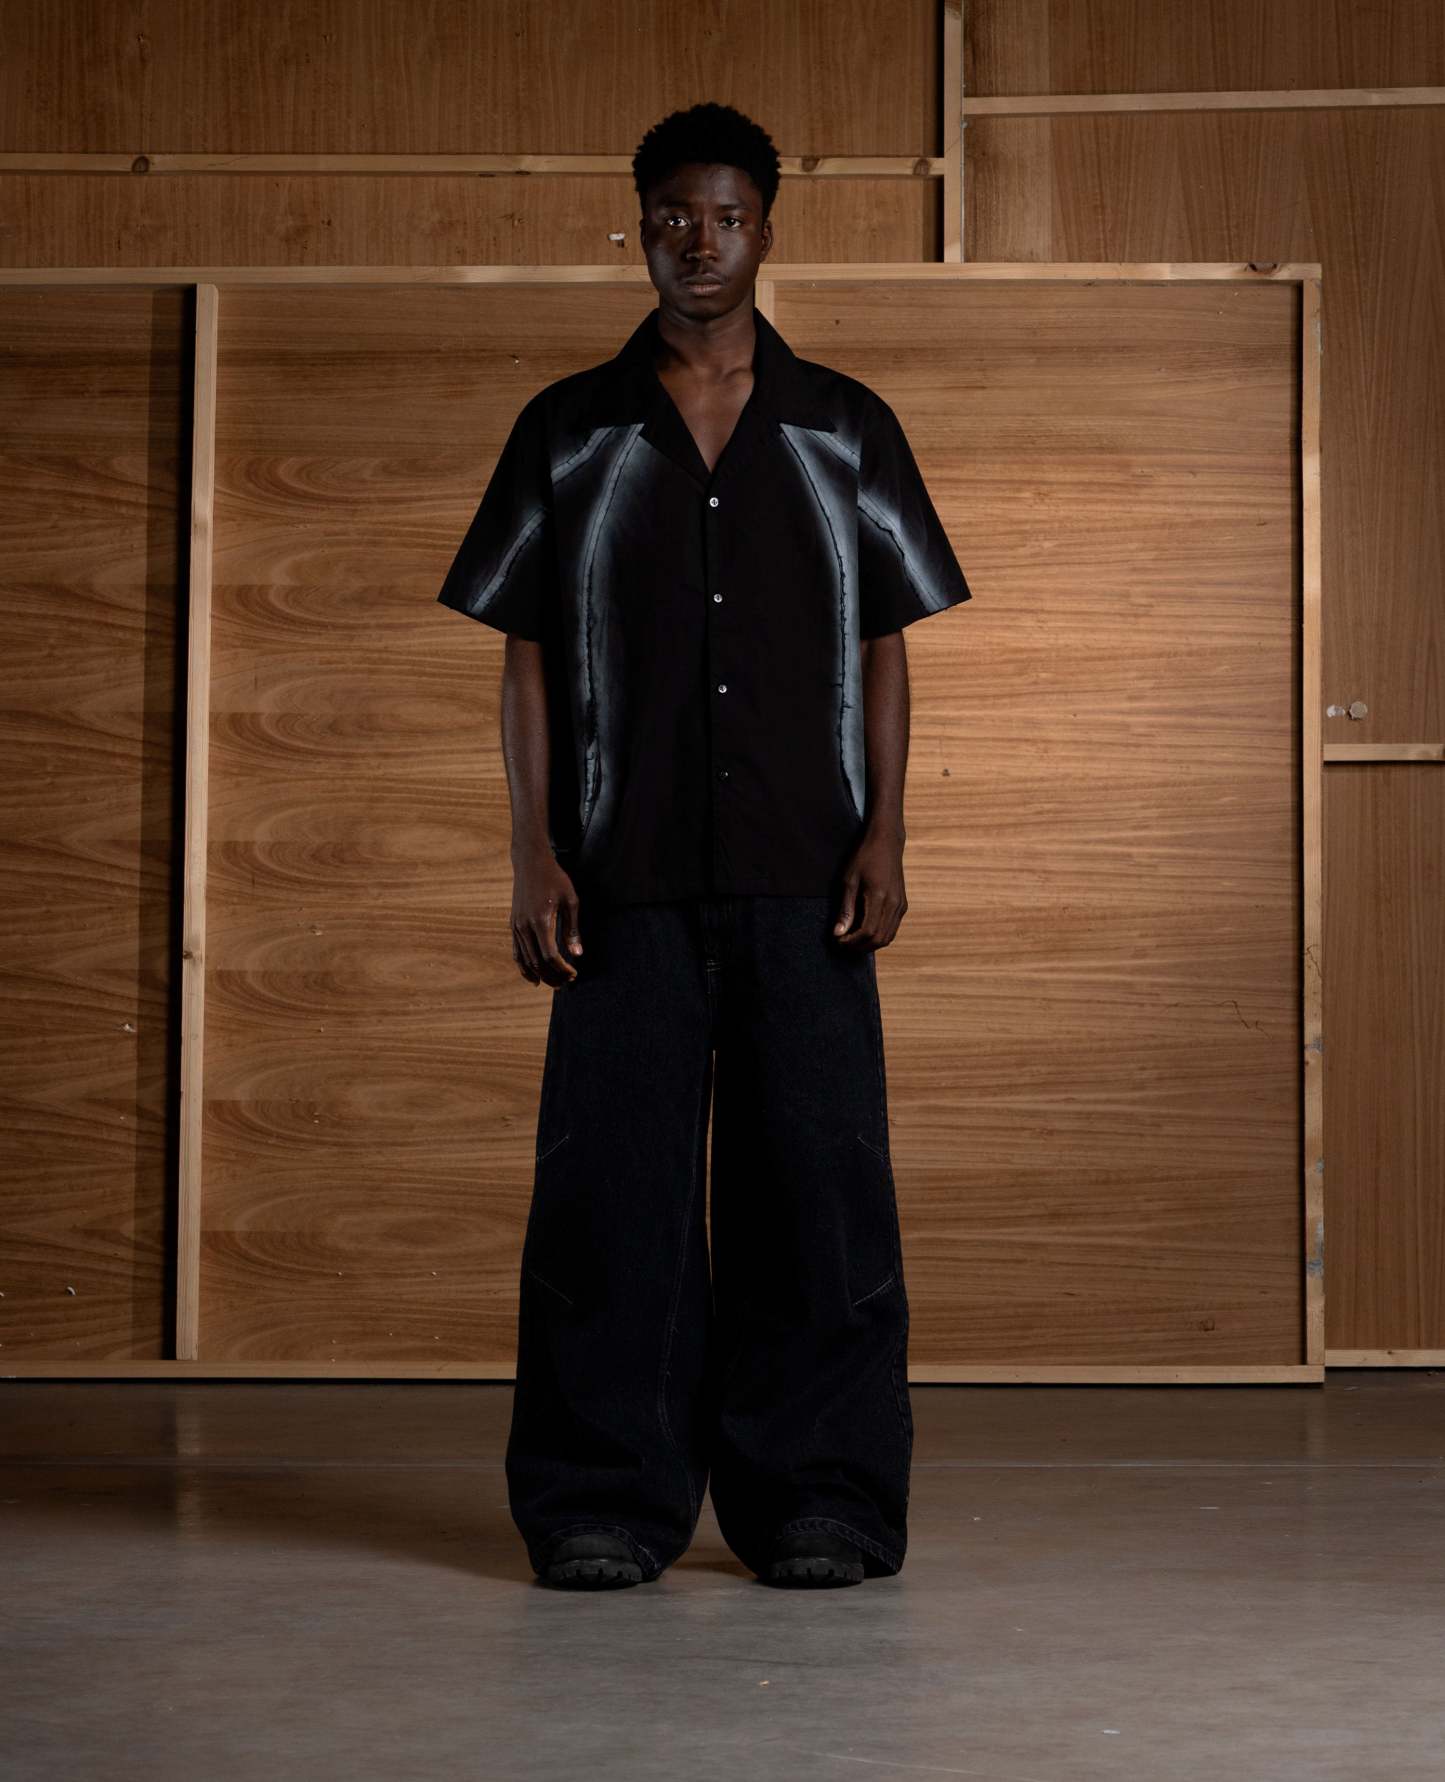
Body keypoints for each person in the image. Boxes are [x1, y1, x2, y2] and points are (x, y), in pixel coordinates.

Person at [436, 101, 973, 1591]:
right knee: (610, 1195)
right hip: (622, 877)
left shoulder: (845, 425)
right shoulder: (568, 428)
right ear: (641, 229)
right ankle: (600, 1502)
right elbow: (525, 650)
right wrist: (532, 851)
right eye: (673, 216)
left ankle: (822, 1500)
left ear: (765, 230)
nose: (699, 242)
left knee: (819, 1190)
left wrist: (887, 828)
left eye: (726, 217)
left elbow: (885, 636)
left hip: (810, 871)